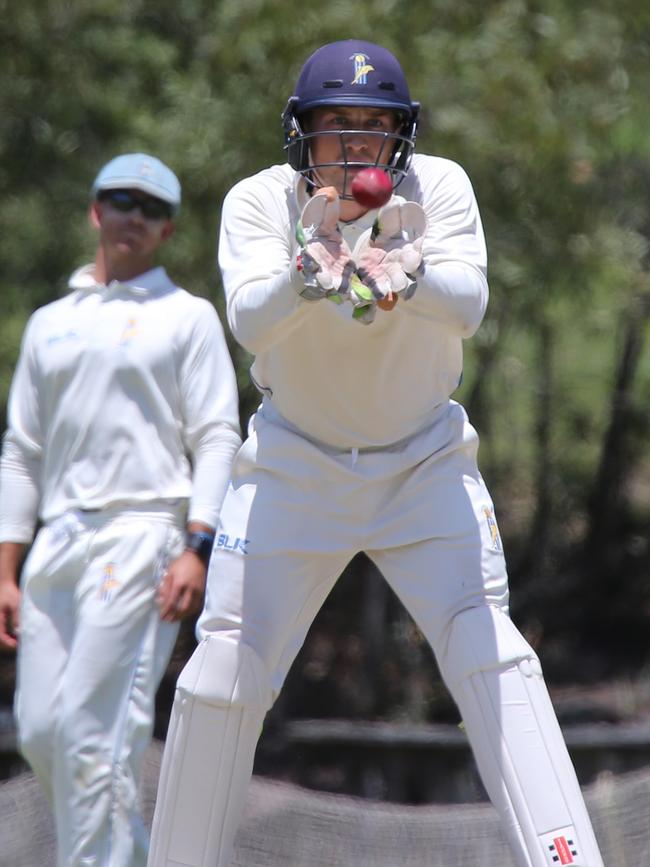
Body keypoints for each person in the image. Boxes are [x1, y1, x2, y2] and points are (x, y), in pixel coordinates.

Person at [147, 41, 605, 867]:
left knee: (490, 653)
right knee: (221, 675)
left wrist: (410, 272)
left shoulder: (442, 187)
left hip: (424, 464)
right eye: (337, 127)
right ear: (303, 137)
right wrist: (306, 271)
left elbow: (467, 304)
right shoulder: (258, 201)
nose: (357, 147)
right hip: (294, 465)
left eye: (374, 126)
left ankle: (570, 860)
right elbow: (250, 320)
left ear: (402, 136)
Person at [0, 153, 242, 867]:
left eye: (151, 206)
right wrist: (7, 568)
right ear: (94, 211)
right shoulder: (51, 323)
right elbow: (21, 449)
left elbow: (217, 435)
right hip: (57, 541)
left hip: (144, 535)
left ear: (167, 230)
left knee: (94, 733)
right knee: (42, 730)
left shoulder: (186, 318)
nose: (133, 214)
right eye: (120, 199)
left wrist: (199, 544)